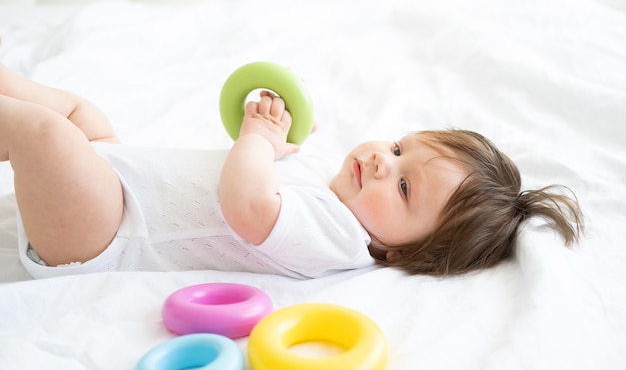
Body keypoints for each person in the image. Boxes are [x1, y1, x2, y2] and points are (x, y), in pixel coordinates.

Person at [0, 62, 583, 279]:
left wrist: (257, 140)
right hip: (118, 175)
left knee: (48, 134)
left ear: (405, 252)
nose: (384, 159)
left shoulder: (344, 238)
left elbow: (249, 207)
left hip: (106, 230)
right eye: (401, 147)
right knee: (77, 112)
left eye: (403, 186)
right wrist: (274, 151)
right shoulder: (335, 196)